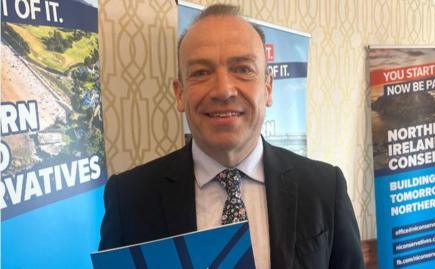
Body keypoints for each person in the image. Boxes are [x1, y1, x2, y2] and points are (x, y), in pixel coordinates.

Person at [99, 4, 365, 269]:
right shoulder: (130, 198)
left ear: (268, 88)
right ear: (180, 93)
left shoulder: (325, 189)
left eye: (242, 69)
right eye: (201, 72)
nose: (223, 90)